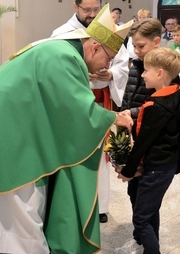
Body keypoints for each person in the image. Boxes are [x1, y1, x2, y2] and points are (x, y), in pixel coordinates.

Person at [0, 4, 133, 254]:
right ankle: (17, 247)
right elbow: (76, 111)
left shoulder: (62, 49)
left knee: (17, 186)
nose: (107, 64)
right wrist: (114, 118)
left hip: (2, 115)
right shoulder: (65, 56)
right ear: (94, 46)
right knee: (19, 185)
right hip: (5, 123)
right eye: (108, 57)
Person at [52, 0, 130, 223]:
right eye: (87, 10)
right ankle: (74, 202)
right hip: (75, 99)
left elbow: (122, 61)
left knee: (100, 150)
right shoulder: (62, 33)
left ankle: (100, 205)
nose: (92, 14)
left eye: (96, 9)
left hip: (101, 98)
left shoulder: (106, 29)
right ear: (75, 7)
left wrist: (112, 73)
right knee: (75, 149)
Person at [116, 47, 180, 254]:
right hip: (167, 165)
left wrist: (128, 170)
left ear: (160, 74)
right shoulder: (178, 94)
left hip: (155, 167)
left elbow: (143, 144)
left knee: (141, 218)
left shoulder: (155, 106)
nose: (143, 74)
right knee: (150, 211)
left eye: (146, 70)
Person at [114, 18, 163, 254]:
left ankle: (146, 243)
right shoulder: (138, 63)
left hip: (150, 144)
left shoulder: (163, 70)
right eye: (134, 45)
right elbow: (129, 96)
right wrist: (124, 111)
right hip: (134, 135)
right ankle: (138, 239)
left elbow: (155, 106)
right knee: (134, 192)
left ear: (156, 41)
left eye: (141, 45)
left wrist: (130, 113)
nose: (136, 50)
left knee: (146, 200)